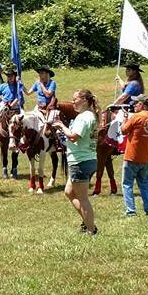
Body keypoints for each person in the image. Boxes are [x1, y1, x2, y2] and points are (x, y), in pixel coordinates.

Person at [52, 89, 99, 235]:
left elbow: (73, 137)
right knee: (69, 191)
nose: (72, 102)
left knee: (83, 198)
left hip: (80, 161)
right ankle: (88, 222)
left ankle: (91, 230)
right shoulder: (88, 116)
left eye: (75, 99)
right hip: (87, 159)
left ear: (84, 100)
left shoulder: (84, 117)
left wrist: (61, 126)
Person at [120, 94, 148, 216]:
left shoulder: (136, 117)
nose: (134, 105)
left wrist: (125, 118)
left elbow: (123, 130)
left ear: (141, 105)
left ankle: (131, 211)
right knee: (145, 185)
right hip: (146, 158)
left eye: (136, 103)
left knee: (127, 184)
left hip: (131, 157)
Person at [0, 69, 25, 144]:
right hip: (4, 104)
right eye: (8, 76)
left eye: (11, 76)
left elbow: (18, 97)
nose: (10, 78)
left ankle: (23, 139)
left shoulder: (17, 86)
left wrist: (11, 106)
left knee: (24, 119)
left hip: (15, 104)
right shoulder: (3, 85)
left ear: (15, 77)